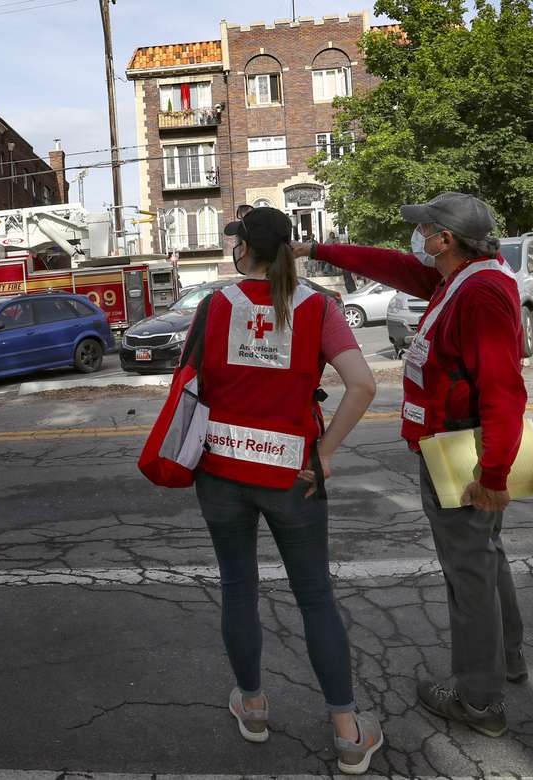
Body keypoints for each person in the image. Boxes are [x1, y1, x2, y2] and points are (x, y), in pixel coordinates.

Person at [293, 192, 528, 738]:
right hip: (461, 444)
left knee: (467, 574)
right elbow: (392, 266)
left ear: (446, 239)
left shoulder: (481, 292)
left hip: (463, 451)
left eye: (425, 231)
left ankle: (478, 700)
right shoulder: (459, 279)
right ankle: (506, 658)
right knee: (486, 557)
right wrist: (319, 248)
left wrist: (491, 477)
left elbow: (503, 390)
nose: (418, 239)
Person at [195, 207, 383, 774]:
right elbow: (363, 385)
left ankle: (252, 707)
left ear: (243, 251)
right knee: (315, 596)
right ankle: (348, 732)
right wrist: (323, 456)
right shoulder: (319, 307)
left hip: (222, 469)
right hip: (291, 473)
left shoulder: (215, 304)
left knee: (238, 587)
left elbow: (192, 382)